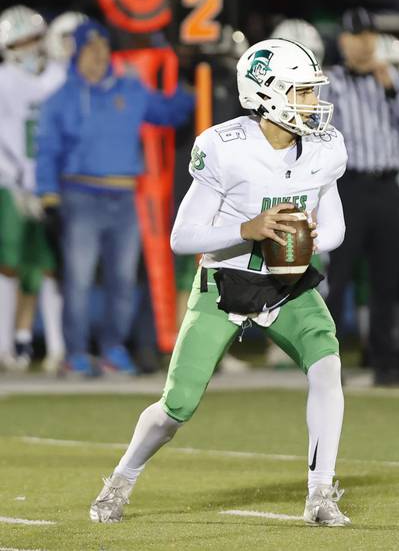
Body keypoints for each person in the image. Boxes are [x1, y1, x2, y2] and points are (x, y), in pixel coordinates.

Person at [90, 38, 351, 526]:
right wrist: (248, 229)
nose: (312, 103)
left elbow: (334, 230)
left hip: (286, 283)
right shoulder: (223, 147)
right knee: (177, 407)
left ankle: (320, 493)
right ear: (265, 94)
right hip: (225, 281)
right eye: (300, 92)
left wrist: (311, 235)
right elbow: (181, 237)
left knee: (326, 367)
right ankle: (121, 479)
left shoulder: (324, 147)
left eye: (312, 91)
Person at [35, 20, 194, 376]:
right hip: (80, 195)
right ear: (76, 51)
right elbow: (47, 149)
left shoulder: (130, 89)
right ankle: (76, 353)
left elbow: (169, 113)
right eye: (90, 48)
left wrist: (190, 79)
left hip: (124, 197)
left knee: (122, 280)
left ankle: (112, 349)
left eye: (103, 47)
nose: (98, 54)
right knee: (78, 280)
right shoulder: (62, 97)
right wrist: (47, 195)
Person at [322, 8, 399, 386]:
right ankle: (325, 366)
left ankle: (386, 363)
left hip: (386, 188)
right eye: (356, 35)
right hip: (348, 187)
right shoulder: (330, 82)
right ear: (343, 41)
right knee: (339, 278)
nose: (364, 42)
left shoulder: (392, 78)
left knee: (387, 280)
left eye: (369, 34)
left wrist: (391, 87)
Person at [0, 5, 66, 372]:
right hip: (12, 186)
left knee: (52, 267)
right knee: (8, 265)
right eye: (19, 41)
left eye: (32, 38)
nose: (27, 47)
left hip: (52, 184)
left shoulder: (59, 75)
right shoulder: (3, 80)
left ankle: (57, 348)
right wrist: (15, 180)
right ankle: (4, 347)